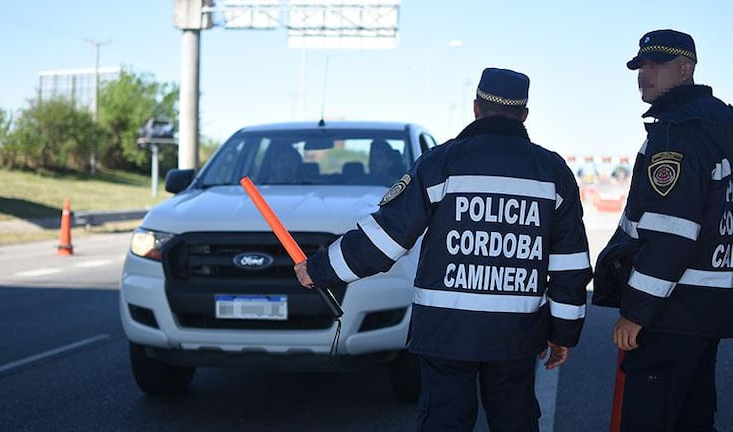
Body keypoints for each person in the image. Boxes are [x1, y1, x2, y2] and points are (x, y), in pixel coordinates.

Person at [295, 68, 592, 431]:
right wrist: (563, 332)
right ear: (524, 115)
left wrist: (320, 268)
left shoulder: (440, 163)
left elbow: (386, 238)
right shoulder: (552, 171)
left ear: (476, 108)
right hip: (515, 332)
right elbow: (570, 264)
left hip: (445, 330)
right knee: (515, 420)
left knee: (445, 421)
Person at [594, 29, 733, 431]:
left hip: (672, 311)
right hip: (711, 308)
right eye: (641, 66)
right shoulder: (723, 124)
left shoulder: (677, 132)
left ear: (686, 69)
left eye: (656, 65)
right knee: (693, 418)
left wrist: (636, 313)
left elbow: (671, 234)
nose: (644, 74)